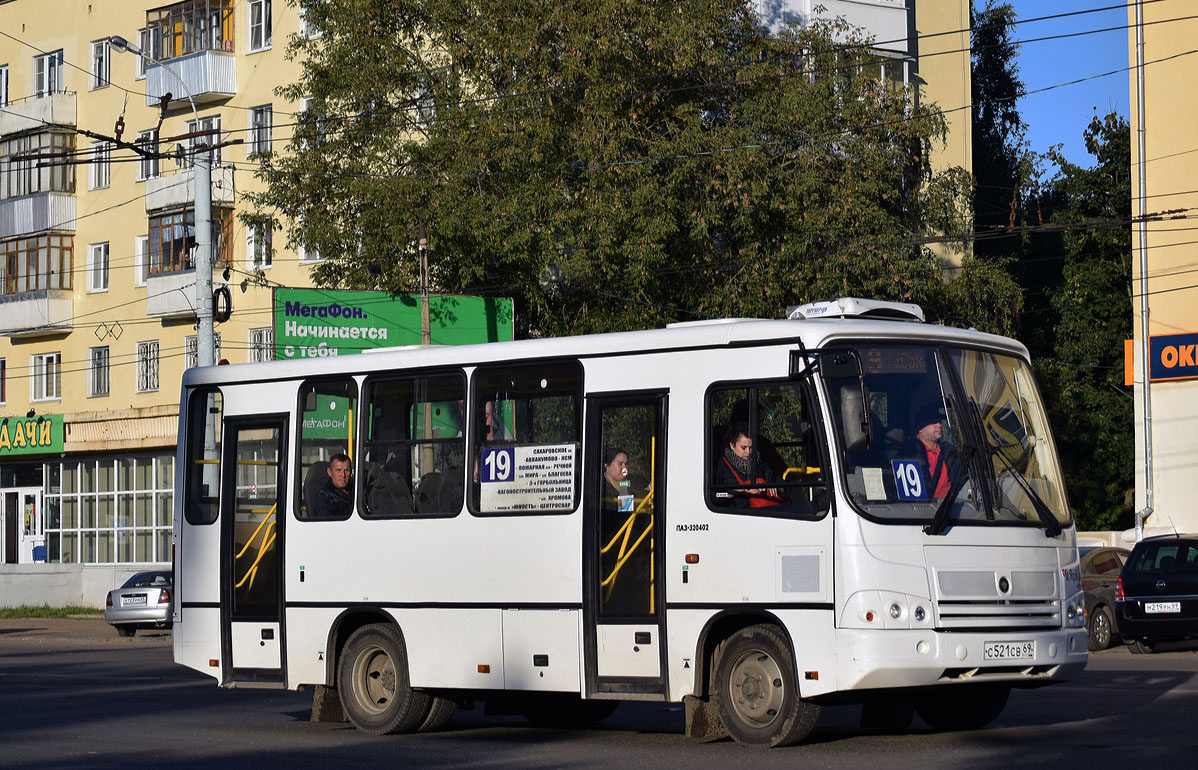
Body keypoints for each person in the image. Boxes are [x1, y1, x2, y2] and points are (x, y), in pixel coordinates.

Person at [715, 423, 781, 508]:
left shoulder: (760, 463)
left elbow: (783, 486)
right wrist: (741, 489)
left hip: (763, 513)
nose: (748, 452)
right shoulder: (723, 464)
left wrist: (773, 487)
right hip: (735, 515)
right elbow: (715, 496)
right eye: (743, 447)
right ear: (732, 445)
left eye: (751, 447)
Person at [911, 406, 953, 499]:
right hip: (922, 509)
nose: (939, 425)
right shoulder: (909, 452)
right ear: (920, 428)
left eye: (939, 421)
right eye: (934, 422)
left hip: (950, 507)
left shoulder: (949, 451)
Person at [602, 447, 633, 512]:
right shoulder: (598, 486)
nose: (624, 468)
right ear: (607, 466)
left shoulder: (627, 485)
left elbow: (625, 512)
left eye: (626, 464)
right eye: (620, 464)